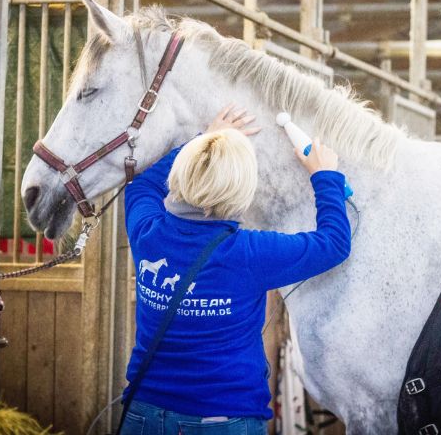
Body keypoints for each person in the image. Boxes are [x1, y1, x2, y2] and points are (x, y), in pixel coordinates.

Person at [120, 103, 352, 434]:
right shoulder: (250, 253)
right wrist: (325, 176)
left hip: (143, 413)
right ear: (241, 189)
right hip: (223, 420)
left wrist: (203, 143)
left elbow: (141, 186)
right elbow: (334, 243)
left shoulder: (147, 232)